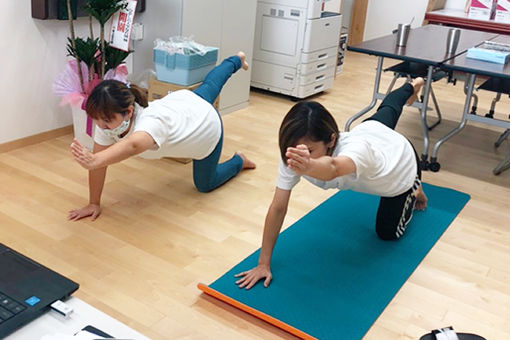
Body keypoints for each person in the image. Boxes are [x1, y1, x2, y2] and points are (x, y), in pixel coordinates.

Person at [235, 78, 428, 289]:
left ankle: (415, 188)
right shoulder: (294, 156)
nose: (298, 157)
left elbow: (334, 168)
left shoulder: (355, 151)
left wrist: (307, 166)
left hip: (402, 163)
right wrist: (263, 264)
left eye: (308, 151)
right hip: (371, 131)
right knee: (389, 108)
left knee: (387, 234)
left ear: (332, 140)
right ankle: (411, 85)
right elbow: (278, 207)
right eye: (292, 149)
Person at [69, 51, 255, 221]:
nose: (101, 126)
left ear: (129, 111)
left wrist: (95, 160)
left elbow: (132, 146)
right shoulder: (108, 122)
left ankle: (239, 160)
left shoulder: (150, 122)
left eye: (106, 121)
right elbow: (99, 165)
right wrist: (94, 202)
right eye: (97, 120)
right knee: (210, 84)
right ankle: (237, 60)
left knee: (205, 185)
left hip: (207, 126)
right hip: (185, 102)